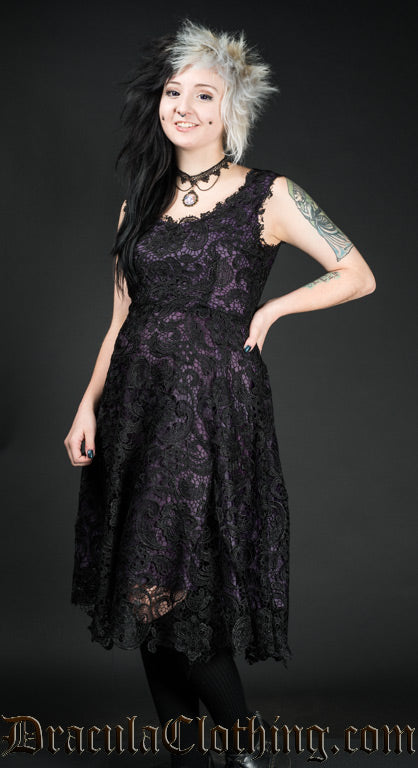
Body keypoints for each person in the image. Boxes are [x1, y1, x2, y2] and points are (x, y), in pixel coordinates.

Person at [64, 18, 376, 768]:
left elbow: (357, 274)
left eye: (204, 94)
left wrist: (271, 310)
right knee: (146, 590)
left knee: (183, 585)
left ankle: (242, 747)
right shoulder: (136, 205)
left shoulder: (270, 194)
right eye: (174, 92)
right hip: (135, 410)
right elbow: (120, 322)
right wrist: (85, 406)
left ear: (232, 110)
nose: (185, 106)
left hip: (210, 412)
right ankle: (191, 757)